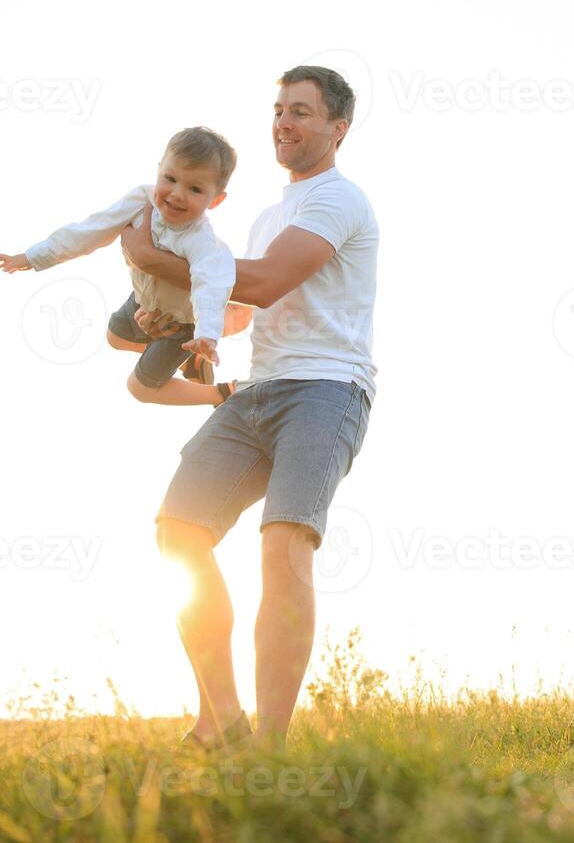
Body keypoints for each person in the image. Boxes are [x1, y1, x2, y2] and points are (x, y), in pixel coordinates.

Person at [121, 66, 378, 749]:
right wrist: (174, 316)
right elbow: (242, 309)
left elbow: (261, 282)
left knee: (282, 548)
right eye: (277, 109)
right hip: (259, 389)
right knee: (179, 532)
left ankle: (268, 743)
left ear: (336, 128)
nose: (284, 123)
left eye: (301, 111)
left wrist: (149, 253)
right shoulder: (269, 214)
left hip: (325, 390)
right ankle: (221, 719)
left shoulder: (337, 201)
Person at [0, 127, 242, 406]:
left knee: (141, 388)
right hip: (143, 300)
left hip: (184, 323)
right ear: (158, 171)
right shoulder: (141, 201)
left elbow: (211, 285)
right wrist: (33, 256)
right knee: (116, 336)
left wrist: (206, 335)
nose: (177, 194)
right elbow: (92, 229)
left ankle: (222, 393)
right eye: (170, 178)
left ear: (215, 199)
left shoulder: (203, 241)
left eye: (195, 189)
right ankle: (190, 361)